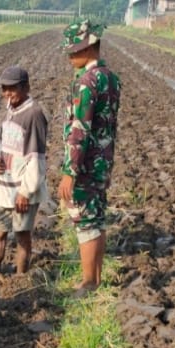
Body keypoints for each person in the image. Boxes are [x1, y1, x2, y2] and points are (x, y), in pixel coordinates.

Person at [58, 19, 121, 294]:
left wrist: (69, 171)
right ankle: (94, 278)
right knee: (96, 218)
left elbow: (80, 129)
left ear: (91, 46)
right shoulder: (110, 77)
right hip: (103, 161)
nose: (71, 55)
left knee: (84, 220)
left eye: (75, 49)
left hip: (85, 163)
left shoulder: (87, 82)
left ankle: (88, 281)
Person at [0, 66, 48, 282]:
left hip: (22, 189)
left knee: (22, 236)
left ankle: (21, 279)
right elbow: (1, 141)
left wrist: (25, 192)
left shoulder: (34, 114)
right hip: (5, 186)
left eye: (12, 89)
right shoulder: (10, 108)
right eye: (5, 88)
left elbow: (37, 157)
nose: (7, 93)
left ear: (26, 87)